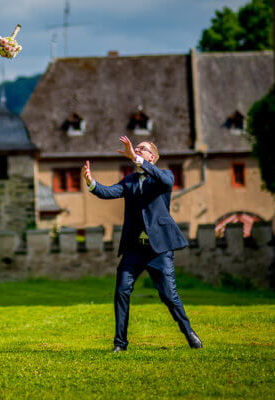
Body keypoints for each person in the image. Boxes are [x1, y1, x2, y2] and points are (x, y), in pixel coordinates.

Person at [82, 136, 202, 352]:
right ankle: (120, 344)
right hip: (134, 250)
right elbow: (108, 192)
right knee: (121, 291)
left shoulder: (163, 177)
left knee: (169, 295)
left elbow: (167, 183)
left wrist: (136, 158)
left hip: (159, 250)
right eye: (136, 148)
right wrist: (91, 182)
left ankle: (189, 333)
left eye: (142, 149)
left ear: (152, 157)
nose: (137, 149)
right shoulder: (128, 181)